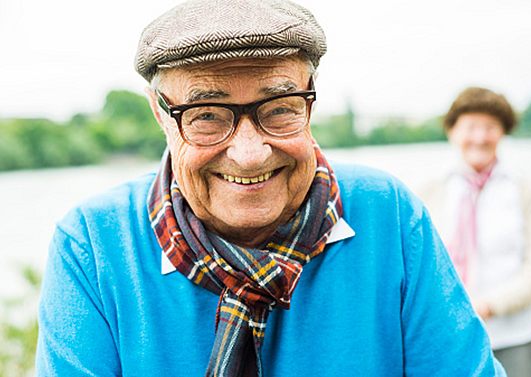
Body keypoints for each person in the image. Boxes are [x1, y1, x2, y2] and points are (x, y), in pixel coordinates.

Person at [35, 0, 505, 375]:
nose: (249, 152)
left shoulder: (389, 213)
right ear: (161, 113)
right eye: (207, 115)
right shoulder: (92, 243)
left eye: (279, 107)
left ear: (311, 97)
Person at [419, 87, 531, 376]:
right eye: (471, 126)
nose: (480, 137)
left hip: (513, 337)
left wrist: (487, 306)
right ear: (452, 131)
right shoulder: (430, 188)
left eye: (490, 127)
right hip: (449, 336)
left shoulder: (526, 189)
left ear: (503, 132)